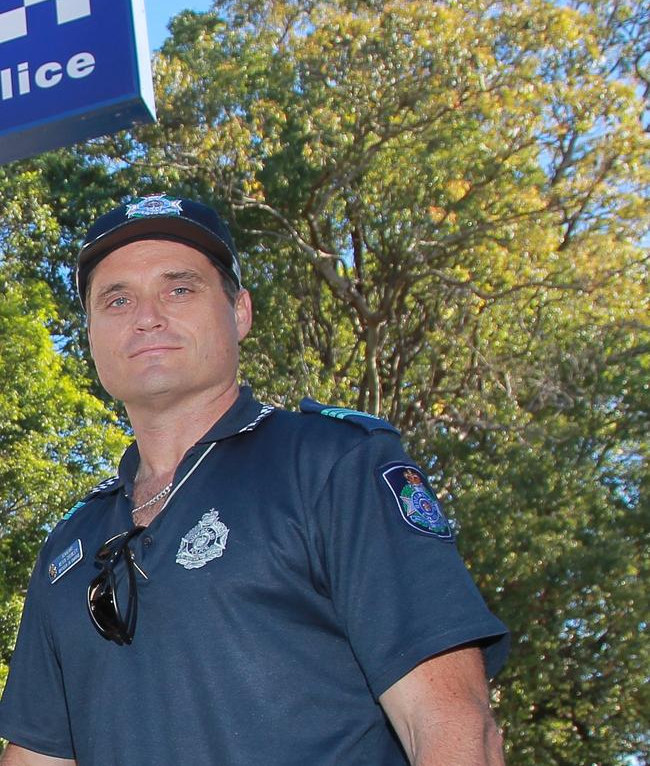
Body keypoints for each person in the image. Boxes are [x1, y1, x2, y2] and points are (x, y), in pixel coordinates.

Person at [0, 194, 509, 765]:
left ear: (239, 312)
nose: (147, 316)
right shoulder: (66, 549)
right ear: (91, 337)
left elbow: (452, 727)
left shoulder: (331, 467)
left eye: (179, 289)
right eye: (116, 300)